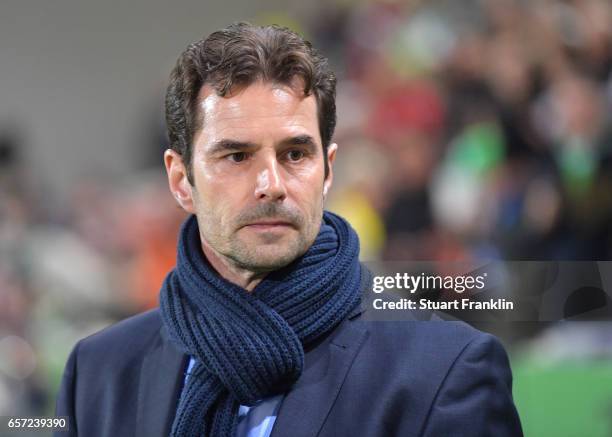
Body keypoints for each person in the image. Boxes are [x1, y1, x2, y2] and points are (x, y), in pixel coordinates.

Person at [54, 23, 523, 437]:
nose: (271, 185)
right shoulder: (98, 374)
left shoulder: (446, 368)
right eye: (236, 156)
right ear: (181, 181)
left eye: (295, 154)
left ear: (328, 170)